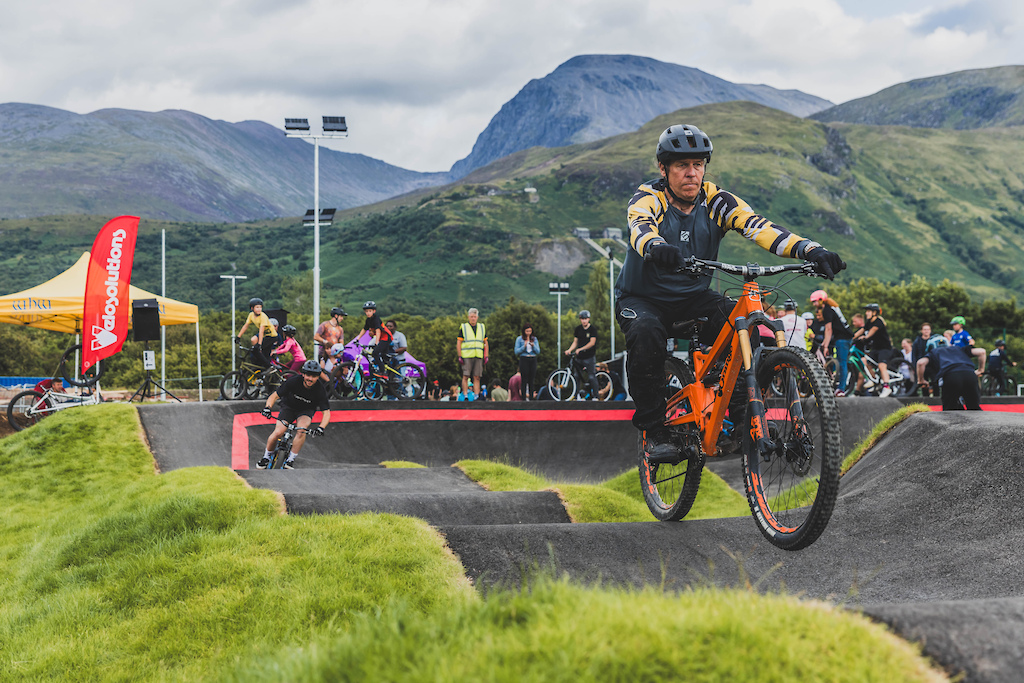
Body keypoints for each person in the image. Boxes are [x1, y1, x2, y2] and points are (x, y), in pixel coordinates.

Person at [615, 123, 846, 460]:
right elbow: (639, 226)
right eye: (681, 166)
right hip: (642, 298)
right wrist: (656, 246)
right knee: (646, 333)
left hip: (693, 298)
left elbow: (760, 227)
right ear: (663, 169)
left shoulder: (716, 200)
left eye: (698, 165)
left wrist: (810, 250)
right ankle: (655, 431)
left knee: (745, 323)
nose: (691, 173)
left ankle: (743, 418)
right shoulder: (649, 197)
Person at [257, 360, 331, 469]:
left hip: (306, 410)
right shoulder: (293, 381)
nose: (310, 379)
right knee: (278, 432)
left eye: (314, 376)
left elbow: (326, 412)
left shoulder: (320, 389)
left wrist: (321, 428)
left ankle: (290, 459)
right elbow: (274, 396)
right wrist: (268, 408)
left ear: (318, 377)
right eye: (308, 375)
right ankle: (266, 456)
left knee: (302, 430)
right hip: (289, 407)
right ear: (303, 374)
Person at [917, 338, 983, 411]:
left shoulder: (934, 352)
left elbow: (921, 363)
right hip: (970, 374)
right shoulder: (958, 348)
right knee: (974, 407)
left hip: (951, 376)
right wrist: (980, 370)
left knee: (950, 409)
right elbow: (981, 352)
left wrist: (921, 380)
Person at [809, 290, 853, 396]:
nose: (814, 304)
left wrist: (826, 345)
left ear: (821, 300)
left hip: (843, 338)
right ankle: (838, 386)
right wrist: (825, 342)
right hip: (843, 337)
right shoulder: (833, 308)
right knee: (839, 362)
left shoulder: (827, 310)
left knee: (842, 363)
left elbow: (828, 329)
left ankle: (841, 389)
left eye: (815, 302)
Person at [852, 303, 895, 397]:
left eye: (868, 311)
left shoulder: (878, 322)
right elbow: (862, 330)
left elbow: (872, 331)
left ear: (874, 312)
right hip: (875, 349)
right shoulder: (869, 322)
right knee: (866, 363)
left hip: (885, 349)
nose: (866, 313)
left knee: (881, 366)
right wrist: (851, 338)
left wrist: (866, 337)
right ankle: (874, 380)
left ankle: (887, 387)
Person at [565, 310, 599, 399]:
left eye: (586, 319)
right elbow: (575, 342)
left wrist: (581, 349)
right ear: (580, 319)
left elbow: (592, 343)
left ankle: (596, 396)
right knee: (576, 376)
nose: (584, 321)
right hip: (579, 357)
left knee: (591, 376)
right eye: (582, 319)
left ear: (589, 319)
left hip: (589, 357)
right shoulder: (578, 329)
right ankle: (576, 397)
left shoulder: (592, 329)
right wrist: (569, 350)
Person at [237, 297, 279, 367]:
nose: (259, 309)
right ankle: (263, 367)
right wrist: (238, 336)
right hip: (265, 336)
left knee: (256, 350)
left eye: (260, 307)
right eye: (257, 307)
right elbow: (245, 326)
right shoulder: (251, 315)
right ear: (252, 308)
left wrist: (259, 344)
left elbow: (261, 331)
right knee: (263, 353)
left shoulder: (263, 316)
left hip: (272, 336)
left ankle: (268, 366)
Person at [456, 308, 488, 398]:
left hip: (478, 355)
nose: (473, 318)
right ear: (468, 317)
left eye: (474, 317)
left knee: (477, 376)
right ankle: (465, 395)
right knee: (466, 375)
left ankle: (476, 395)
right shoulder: (464, 327)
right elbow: (459, 342)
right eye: (471, 317)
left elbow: (485, 342)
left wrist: (486, 355)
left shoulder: (482, 327)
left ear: (477, 317)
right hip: (466, 355)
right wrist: (459, 355)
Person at [361, 301, 394, 373]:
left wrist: (376, 343)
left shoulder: (376, 319)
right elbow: (364, 329)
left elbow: (378, 331)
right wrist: (357, 339)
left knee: (375, 353)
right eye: (366, 311)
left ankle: (382, 372)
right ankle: (390, 376)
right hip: (381, 338)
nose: (368, 313)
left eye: (370, 311)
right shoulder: (368, 320)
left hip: (386, 337)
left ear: (374, 311)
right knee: (383, 357)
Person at [514, 323, 540, 401]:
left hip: (532, 358)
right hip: (524, 358)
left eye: (530, 331)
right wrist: (524, 346)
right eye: (527, 331)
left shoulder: (534, 339)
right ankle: (524, 398)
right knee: (524, 379)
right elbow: (516, 351)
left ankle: (531, 398)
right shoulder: (519, 339)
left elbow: (538, 351)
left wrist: (533, 346)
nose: (528, 333)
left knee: (531, 379)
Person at [911, 323, 936, 397]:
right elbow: (914, 355)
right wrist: (914, 366)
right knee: (923, 383)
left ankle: (937, 397)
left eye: (928, 329)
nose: (926, 331)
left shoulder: (933, 340)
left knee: (935, 381)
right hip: (922, 366)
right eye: (925, 329)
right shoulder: (917, 341)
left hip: (932, 365)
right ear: (921, 331)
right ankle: (926, 398)